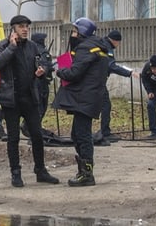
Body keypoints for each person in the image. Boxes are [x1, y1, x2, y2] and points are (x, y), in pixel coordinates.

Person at [0, 15, 60, 187]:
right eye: (21, 26)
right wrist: (12, 47)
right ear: (13, 29)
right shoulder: (2, 46)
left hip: (30, 97)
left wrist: (42, 70)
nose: (25, 29)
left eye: (27, 27)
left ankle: (41, 170)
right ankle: (16, 173)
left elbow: (43, 62)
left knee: (37, 135)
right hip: (11, 99)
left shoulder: (32, 47)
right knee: (13, 138)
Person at [54, 17, 110, 187]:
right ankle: (84, 170)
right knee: (76, 134)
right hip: (89, 97)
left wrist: (60, 71)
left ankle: (86, 173)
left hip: (85, 98)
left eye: (75, 31)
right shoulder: (97, 47)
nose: (73, 34)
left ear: (82, 32)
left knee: (82, 135)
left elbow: (75, 73)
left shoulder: (86, 48)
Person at [98, 30, 139, 142]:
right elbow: (111, 66)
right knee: (106, 105)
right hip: (97, 81)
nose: (118, 45)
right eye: (119, 42)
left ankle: (103, 131)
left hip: (95, 80)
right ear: (115, 41)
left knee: (101, 105)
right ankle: (105, 132)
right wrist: (129, 73)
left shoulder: (102, 43)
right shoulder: (107, 47)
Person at [29, 32, 53, 122]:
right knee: (41, 107)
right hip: (41, 83)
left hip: (35, 82)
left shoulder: (31, 49)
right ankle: (30, 127)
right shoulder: (42, 51)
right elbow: (44, 68)